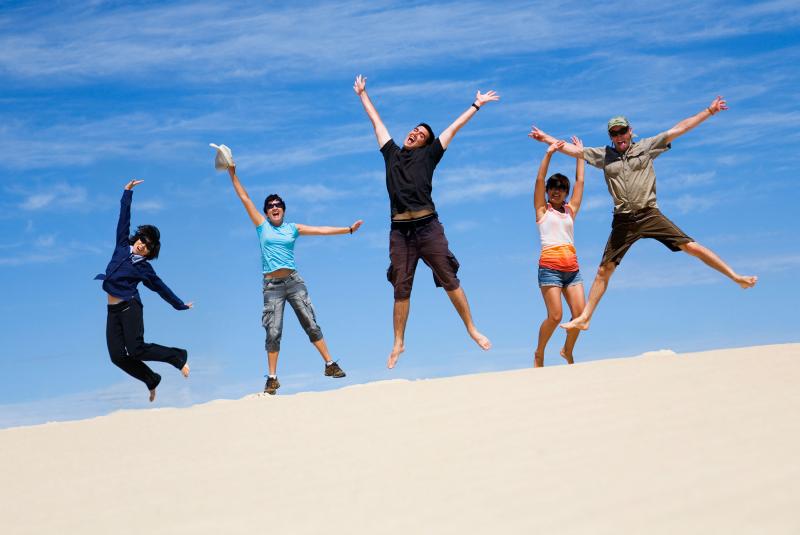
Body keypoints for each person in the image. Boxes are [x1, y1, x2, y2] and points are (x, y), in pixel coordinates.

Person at [528, 96, 757, 332]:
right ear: (611, 137)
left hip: (649, 214)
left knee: (691, 247)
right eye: (614, 134)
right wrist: (546, 138)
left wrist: (709, 111)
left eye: (622, 131)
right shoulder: (604, 155)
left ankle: (735, 276)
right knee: (603, 270)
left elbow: (680, 128)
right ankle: (585, 317)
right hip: (624, 220)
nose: (619, 137)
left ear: (630, 131)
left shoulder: (647, 147)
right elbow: (573, 151)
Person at [353, 74, 497, 369]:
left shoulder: (430, 156)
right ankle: (398, 342)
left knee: (448, 277)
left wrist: (476, 105)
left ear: (426, 144)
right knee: (401, 287)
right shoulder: (391, 153)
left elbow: (452, 129)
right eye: (414, 130)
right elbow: (377, 123)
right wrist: (363, 95)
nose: (415, 134)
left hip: (428, 226)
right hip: (400, 232)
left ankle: (471, 327)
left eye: (421, 134)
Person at [226, 163, 362, 395]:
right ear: (266, 211)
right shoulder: (261, 226)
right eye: (270, 206)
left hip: (294, 281)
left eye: (278, 205)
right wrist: (232, 173)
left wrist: (348, 229)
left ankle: (330, 364)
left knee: (310, 322)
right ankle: (272, 378)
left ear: (284, 210)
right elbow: (244, 198)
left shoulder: (293, 228)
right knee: (273, 330)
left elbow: (321, 230)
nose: (274, 208)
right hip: (272, 286)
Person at [95, 179, 192, 402]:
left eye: (148, 246)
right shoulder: (122, 246)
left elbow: (160, 287)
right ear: (137, 238)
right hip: (112, 311)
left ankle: (177, 357)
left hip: (130, 307)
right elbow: (123, 219)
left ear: (149, 253)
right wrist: (127, 193)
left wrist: (179, 304)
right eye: (142, 240)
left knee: (136, 350)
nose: (142, 245)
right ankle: (151, 379)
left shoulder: (144, 268)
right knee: (117, 356)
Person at [532, 137, 586, 367]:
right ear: (548, 191)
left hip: (572, 269)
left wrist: (580, 155)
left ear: (566, 192)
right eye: (553, 188)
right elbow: (539, 178)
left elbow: (580, 180)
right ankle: (539, 352)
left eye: (562, 188)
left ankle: (567, 350)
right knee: (555, 316)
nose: (557, 191)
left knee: (581, 317)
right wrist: (549, 154)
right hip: (550, 269)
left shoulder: (570, 211)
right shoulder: (542, 210)